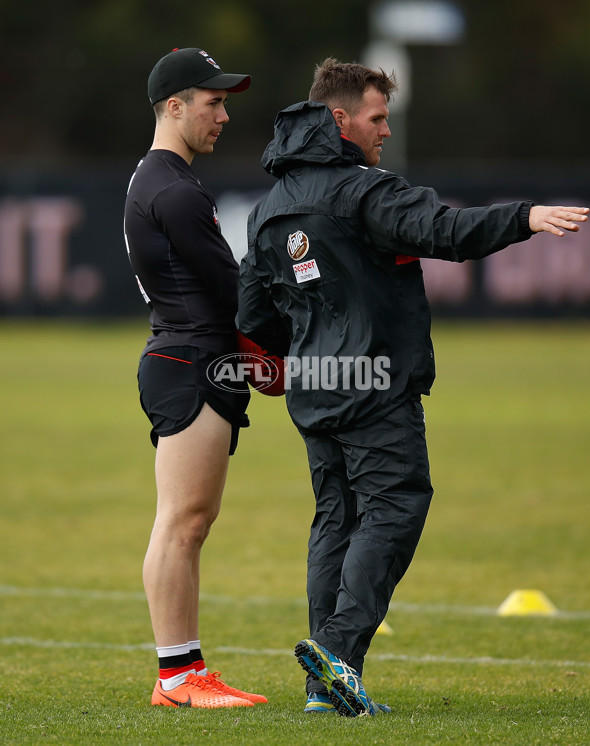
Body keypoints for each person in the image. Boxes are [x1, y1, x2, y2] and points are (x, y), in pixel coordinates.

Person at [236, 58, 589, 717]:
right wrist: (527, 216)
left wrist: (290, 365)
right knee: (394, 507)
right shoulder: (362, 190)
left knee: (335, 522)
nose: (385, 131)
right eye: (377, 118)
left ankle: (326, 685)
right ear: (338, 119)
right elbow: (444, 232)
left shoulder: (268, 208)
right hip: (373, 383)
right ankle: (337, 650)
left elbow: (253, 317)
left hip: (316, 388)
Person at [123, 47, 267, 709]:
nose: (223, 114)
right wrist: (277, 350)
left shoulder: (158, 180)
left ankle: (181, 673)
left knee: (185, 521)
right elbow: (230, 289)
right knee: (184, 523)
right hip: (189, 363)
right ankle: (179, 678)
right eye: (212, 102)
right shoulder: (175, 189)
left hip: (185, 360)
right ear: (173, 105)